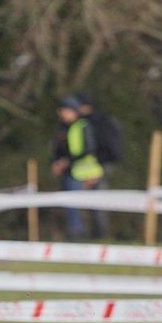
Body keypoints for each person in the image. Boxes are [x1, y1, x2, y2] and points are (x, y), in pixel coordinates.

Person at [50, 93, 108, 241]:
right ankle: (77, 238)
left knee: (94, 209)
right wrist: (56, 162)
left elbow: (88, 150)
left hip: (87, 173)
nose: (62, 113)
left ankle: (97, 238)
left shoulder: (82, 126)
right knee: (72, 209)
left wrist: (66, 162)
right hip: (72, 172)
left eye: (65, 110)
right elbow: (58, 150)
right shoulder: (62, 129)